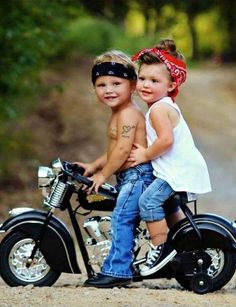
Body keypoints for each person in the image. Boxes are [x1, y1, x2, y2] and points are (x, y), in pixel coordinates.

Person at [128, 39, 212, 276]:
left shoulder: (158, 109)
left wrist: (144, 154)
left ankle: (160, 248)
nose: (145, 84)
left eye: (154, 81)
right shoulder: (162, 105)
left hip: (177, 170)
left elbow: (166, 140)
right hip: (178, 168)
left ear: (171, 83)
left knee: (148, 201)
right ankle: (183, 242)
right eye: (142, 78)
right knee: (167, 204)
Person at [75, 50, 154, 287]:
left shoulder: (129, 113)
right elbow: (113, 151)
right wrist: (93, 165)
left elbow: (121, 151)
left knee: (121, 219)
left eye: (116, 83)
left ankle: (118, 271)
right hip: (129, 177)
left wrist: (103, 175)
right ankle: (120, 265)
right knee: (122, 218)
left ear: (132, 85)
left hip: (137, 177)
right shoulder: (119, 113)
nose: (108, 89)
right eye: (101, 84)